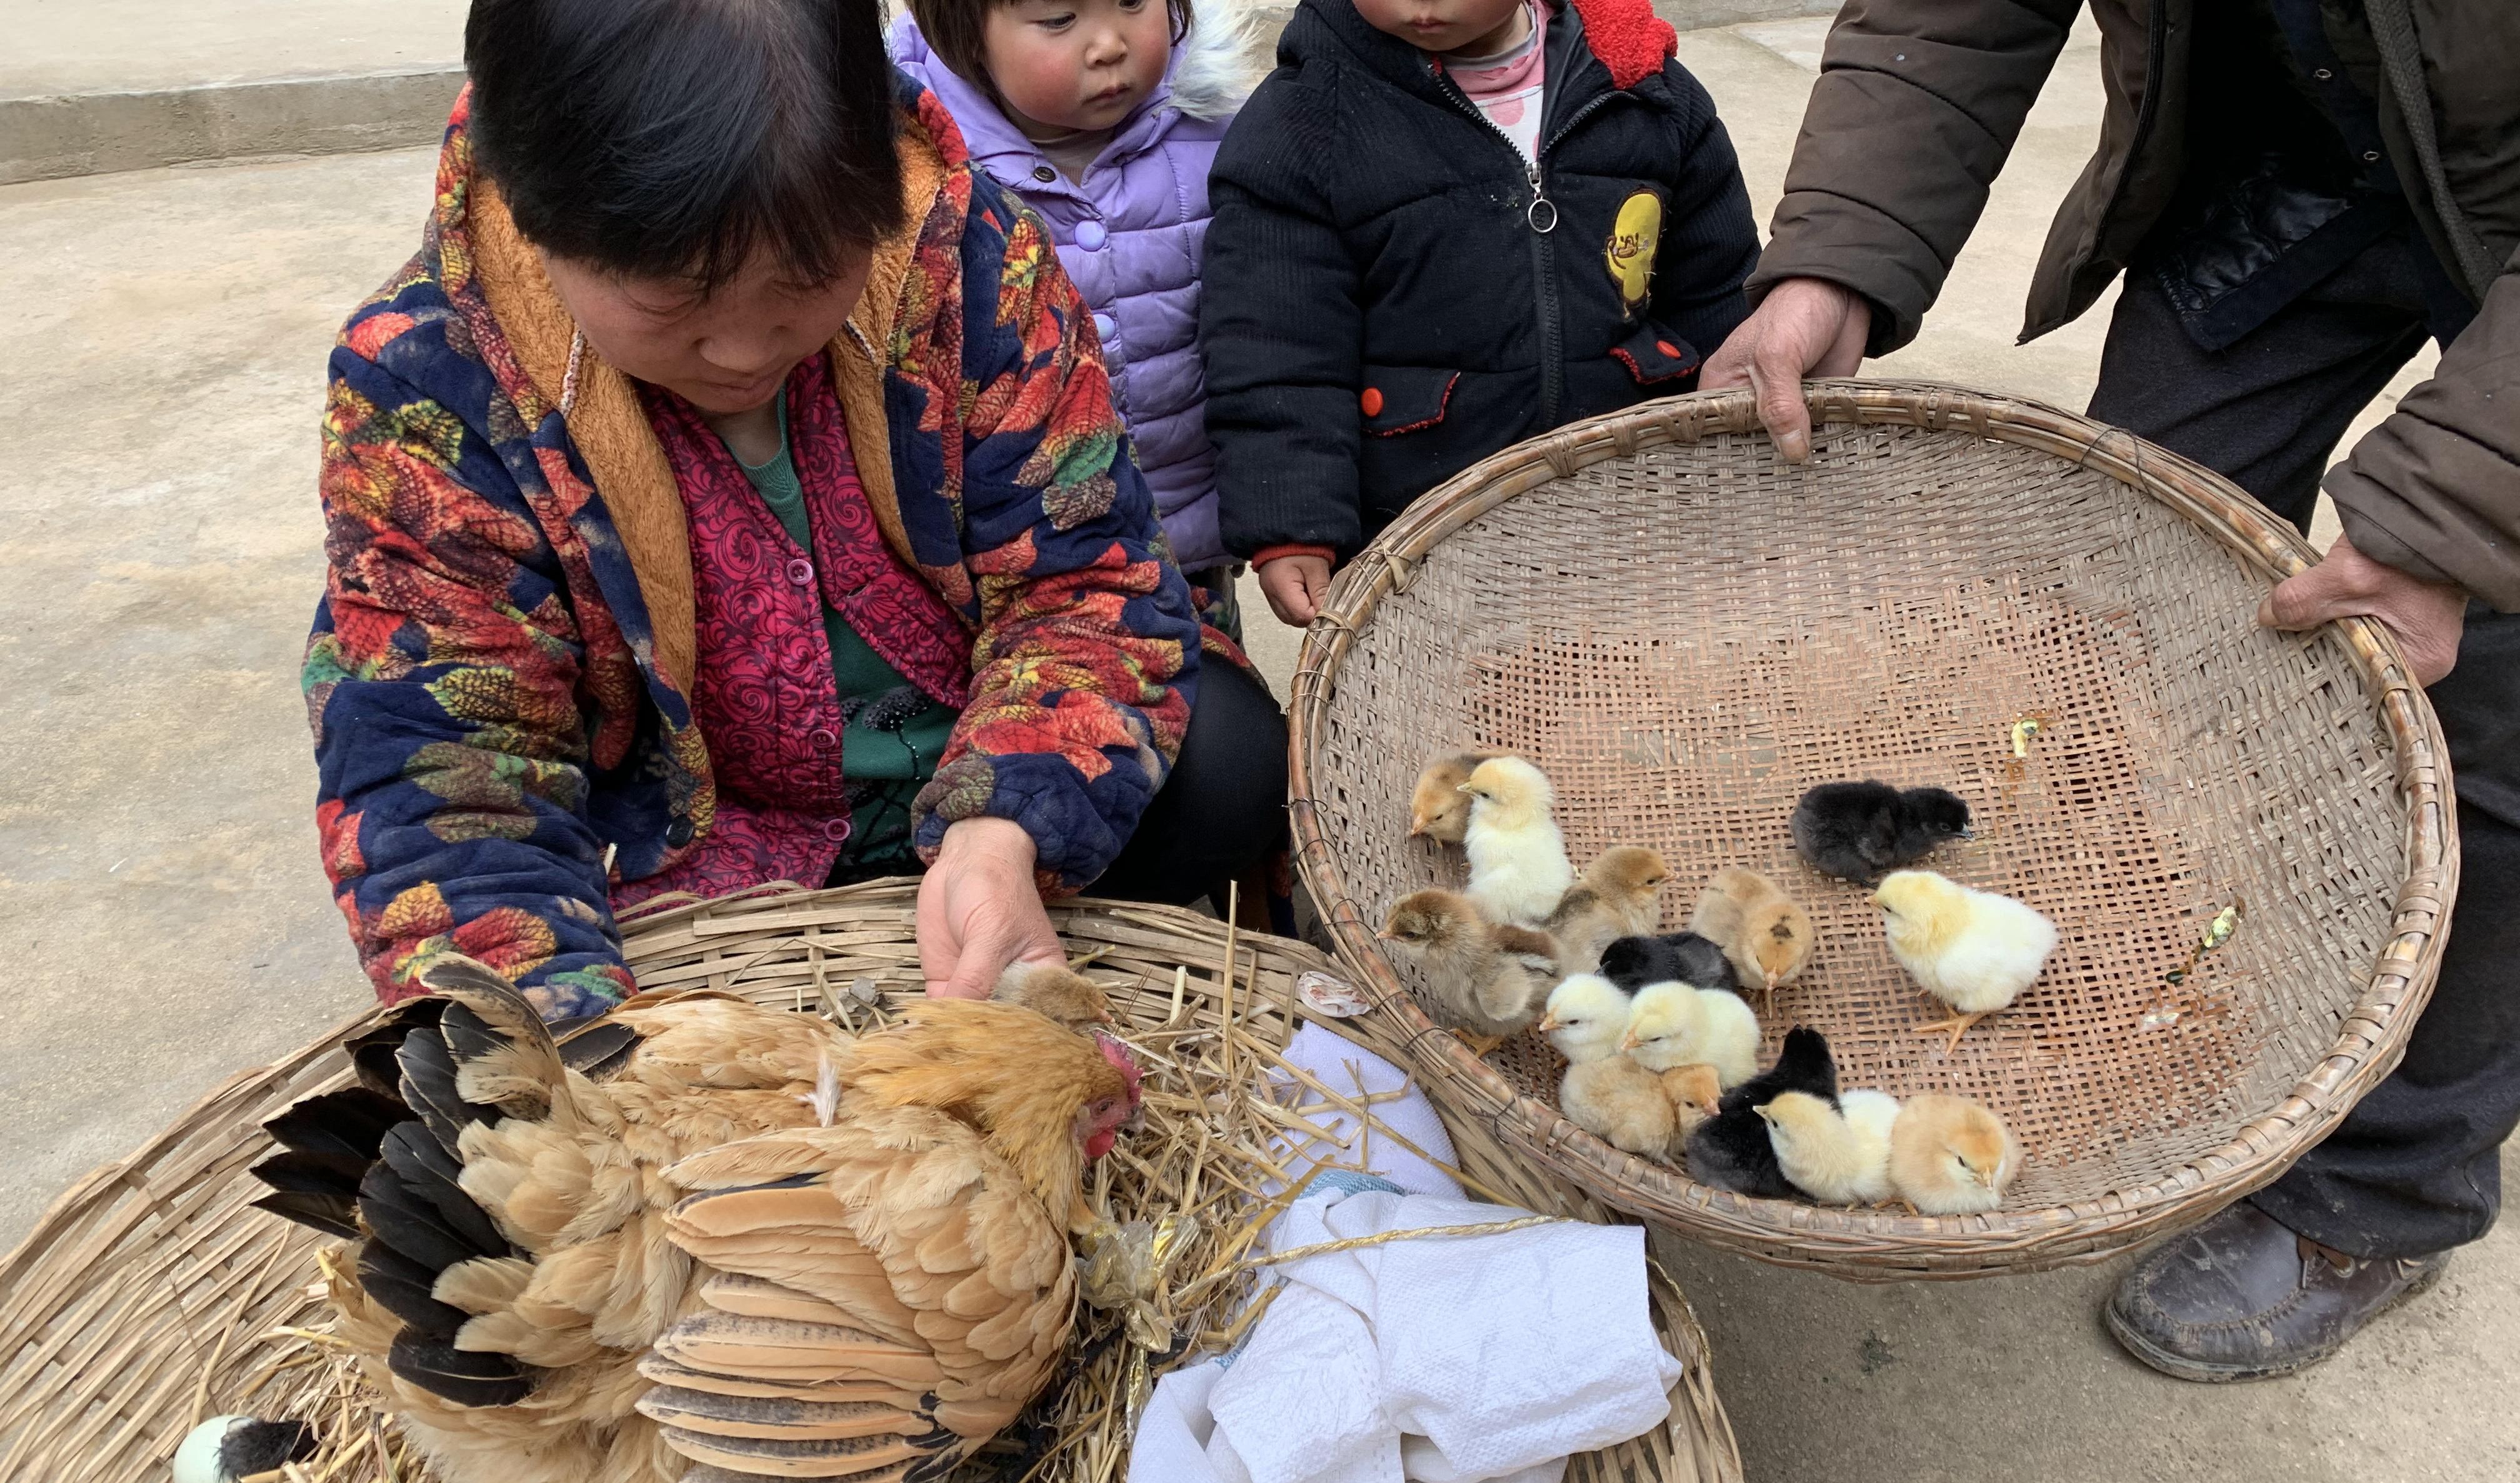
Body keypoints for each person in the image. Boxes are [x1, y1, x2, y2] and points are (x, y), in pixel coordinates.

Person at [1705, 0, 2518, 1380]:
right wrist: (1841, 254)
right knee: (2130, 584)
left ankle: (2380, 1195)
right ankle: (2184, 978)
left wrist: (2459, 516)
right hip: (2290, 152)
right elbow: (1953, 13)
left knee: (2483, 704)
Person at [305, 0, 1286, 1021]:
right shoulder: (427, 385)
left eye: (809, 276)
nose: (742, 350)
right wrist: (578, 1059)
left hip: (973, 748)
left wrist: (1004, 830)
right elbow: (443, 772)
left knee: (1227, 758)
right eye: (671, 297)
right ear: (539, 221)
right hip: (703, 835)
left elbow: (1089, 586)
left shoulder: (964, 256)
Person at [1198, 0, 1760, 628]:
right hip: (1417, 543)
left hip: (1632, 521)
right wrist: (1294, 520)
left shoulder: (1644, 91)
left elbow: (1716, 294)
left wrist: (1734, 450)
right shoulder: (1300, 125)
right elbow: (1277, 347)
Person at [891, 0, 1264, 637]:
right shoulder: (920, 172)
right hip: (1022, 567)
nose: (1109, 45)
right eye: (1060, 20)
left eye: (1132, 3)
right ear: (965, 37)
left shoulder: (1218, 130)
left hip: (1189, 539)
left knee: (1218, 706)